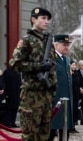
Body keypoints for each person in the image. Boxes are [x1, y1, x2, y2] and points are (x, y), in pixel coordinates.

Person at [8, 7, 56, 140]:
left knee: (44, 135)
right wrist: (39, 66)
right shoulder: (26, 40)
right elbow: (15, 63)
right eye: (43, 18)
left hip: (45, 94)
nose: (47, 22)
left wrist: (53, 86)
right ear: (33, 19)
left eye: (48, 19)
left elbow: (53, 66)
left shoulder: (47, 42)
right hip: (31, 95)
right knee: (30, 135)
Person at [48, 34, 74, 141]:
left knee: (65, 130)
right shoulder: (51, 59)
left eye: (67, 45)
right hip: (55, 101)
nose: (67, 47)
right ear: (56, 45)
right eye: (64, 45)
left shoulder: (67, 60)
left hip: (66, 100)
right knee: (51, 130)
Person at [69, 59, 80, 133]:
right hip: (70, 94)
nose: (74, 66)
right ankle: (69, 126)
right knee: (70, 110)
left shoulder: (76, 73)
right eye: (72, 65)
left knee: (75, 111)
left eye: (75, 65)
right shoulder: (69, 74)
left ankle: (73, 126)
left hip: (76, 95)